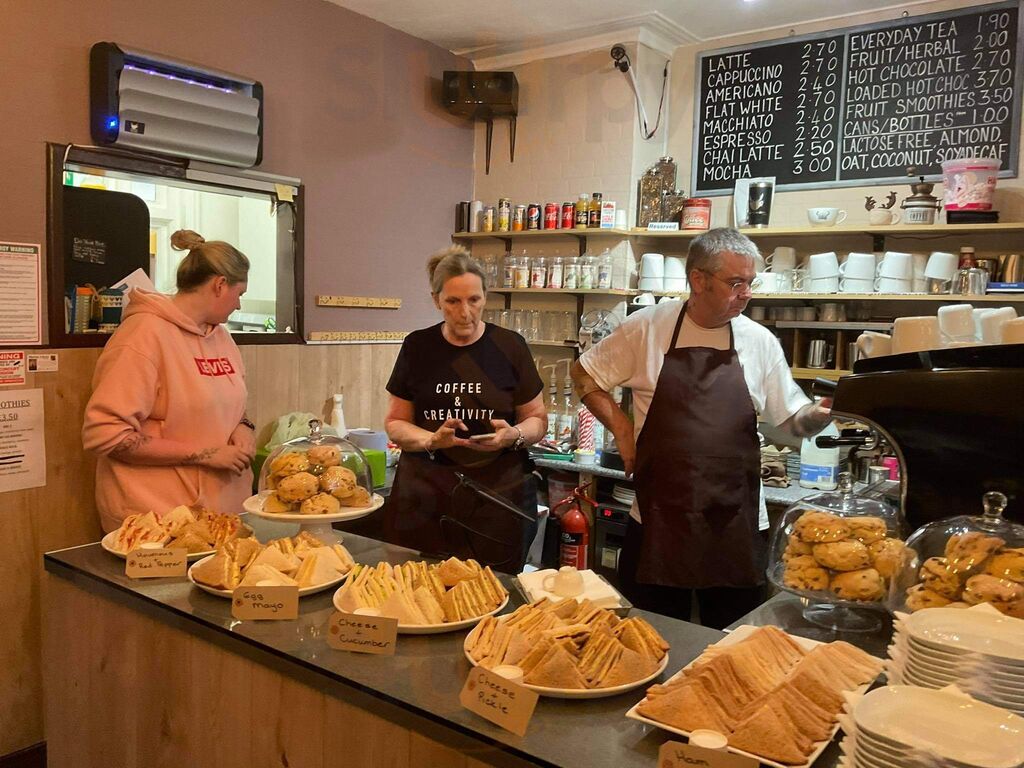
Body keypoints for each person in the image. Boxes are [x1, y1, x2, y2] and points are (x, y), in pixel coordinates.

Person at [571, 228, 832, 629]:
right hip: (659, 523)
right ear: (698, 279)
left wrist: (824, 413)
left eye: (751, 282)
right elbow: (584, 374)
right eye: (736, 283)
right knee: (653, 637)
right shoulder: (647, 328)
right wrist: (622, 429)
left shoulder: (759, 341)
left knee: (732, 646)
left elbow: (792, 419)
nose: (747, 294)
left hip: (736, 526)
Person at [383, 245, 547, 571]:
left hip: (497, 497)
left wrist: (513, 435)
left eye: (474, 300)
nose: (465, 312)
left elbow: (537, 419)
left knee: (493, 589)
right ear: (436, 300)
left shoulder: (510, 346)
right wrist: (431, 440)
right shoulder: (418, 346)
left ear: (485, 297)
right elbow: (395, 422)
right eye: (453, 301)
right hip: (425, 495)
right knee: (419, 587)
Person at [83, 230, 255, 532]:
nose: (238, 306)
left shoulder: (221, 337)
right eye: (239, 294)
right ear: (219, 285)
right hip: (157, 519)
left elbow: (228, 406)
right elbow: (107, 435)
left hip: (221, 514)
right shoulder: (142, 335)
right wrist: (206, 455)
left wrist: (244, 427)